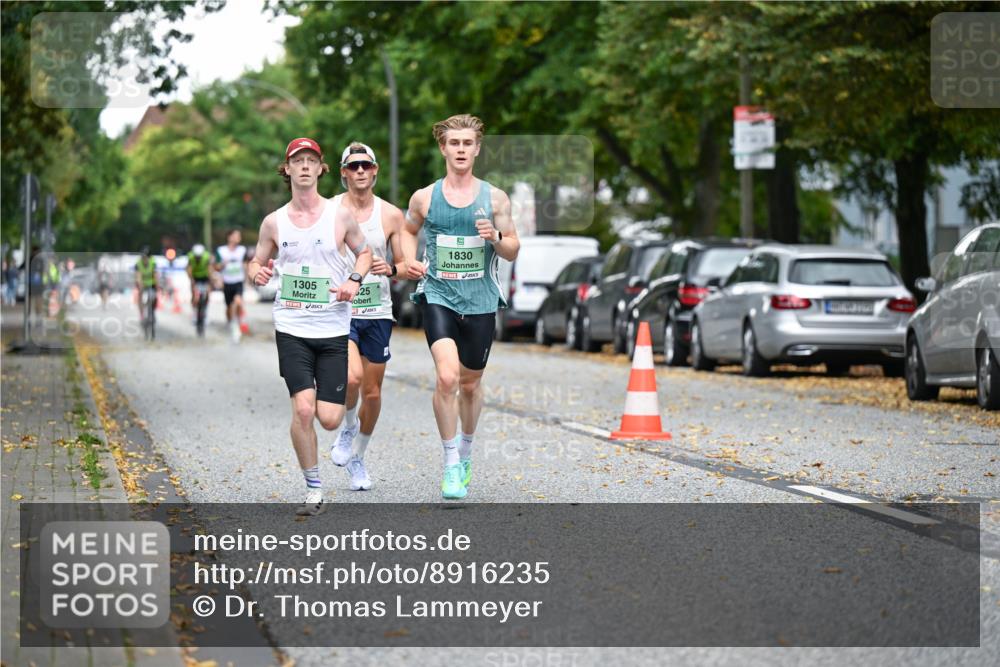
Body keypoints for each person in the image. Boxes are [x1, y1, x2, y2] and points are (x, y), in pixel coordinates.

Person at [248, 137, 372, 516]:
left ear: (321, 169)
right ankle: (314, 487)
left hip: (333, 329)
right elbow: (256, 262)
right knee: (303, 411)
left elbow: (365, 253)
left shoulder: (340, 216)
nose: (304, 166)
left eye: (311, 160)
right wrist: (258, 272)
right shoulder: (274, 222)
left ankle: (342, 428)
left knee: (329, 418)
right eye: (297, 160)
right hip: (292, 327)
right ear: (287, 170)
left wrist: (353, 280)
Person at [402, 114, 520, 499]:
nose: (461, 150)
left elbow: (513, 249)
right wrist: (407, 262)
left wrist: (496, 237)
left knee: (470, 384)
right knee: (448, 378)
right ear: (443, 148)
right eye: (454, 143)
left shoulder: (495, 198)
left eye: (468, 143)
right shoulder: (424, 197)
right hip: (438, 294)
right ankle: (451, 462)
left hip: (482, 299)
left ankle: (466, 452)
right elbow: (407, 230)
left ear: (477, 148)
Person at [328, 142, 408, 491]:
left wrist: (390, 267)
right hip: (339, 310)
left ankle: (358, 455)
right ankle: (347, 429)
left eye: (366, 166)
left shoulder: (390, 214)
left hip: (377, 310)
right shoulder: (328, 210)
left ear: (375, 171)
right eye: (353, 166)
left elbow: (405, 266)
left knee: (373, 394)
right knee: (353, 378)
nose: (360, 171)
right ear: (344, 173)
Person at [216, 228, 250, 342]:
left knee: (238, 301)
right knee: (229, 306)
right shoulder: (221, 250)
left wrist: (248, 278)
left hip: (238, 281)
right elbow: (216, 267)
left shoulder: (242, 250)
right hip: (227, 282)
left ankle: (239, 324)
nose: (238, 238)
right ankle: (231, 323)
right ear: (229, 237)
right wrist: (222, 265)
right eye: (236, 235)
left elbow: (246, 264)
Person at [187, 244, 213, 336]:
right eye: (196, 257)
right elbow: (189, 270)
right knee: (194, 295)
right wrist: (192, 281)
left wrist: (210, 281)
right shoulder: (191, 257)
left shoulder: (206, 257)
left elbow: (210, 269)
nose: (198, 259)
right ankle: (194, 312)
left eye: (199, 257)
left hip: (204, 277)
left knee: (208, 294)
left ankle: (205, 312)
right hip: (195, 277)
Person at [134, 246, 158, 322]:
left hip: (151, 283)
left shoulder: (153, 262)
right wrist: (140, 284)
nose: (144, 259)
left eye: (146, 257)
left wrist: (157, 285)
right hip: (142, 283)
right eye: (143, 257)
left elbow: (155, 275)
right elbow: (138, 276)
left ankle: (152, 311)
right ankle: (141, 314)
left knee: (154, 297)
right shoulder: (138, 263)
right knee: (140, 297)